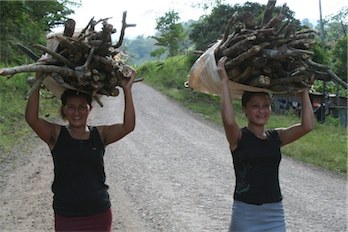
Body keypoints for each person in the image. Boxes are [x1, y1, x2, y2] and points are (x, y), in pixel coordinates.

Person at [25, 69, 136, 231]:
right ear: (64, 110)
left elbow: (128, 126)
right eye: (71, 107)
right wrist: (38, 77)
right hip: (67, 215)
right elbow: (32, 119)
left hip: (99, 213)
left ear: (90, 109)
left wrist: (127, 89)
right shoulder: (56, 135)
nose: (76, 112)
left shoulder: (100, 135)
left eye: (82, 107)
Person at [217, 56, 314, 232]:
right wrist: (224, 82)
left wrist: (303, 91)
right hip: (245, 213)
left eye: (266, 106)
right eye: (255, 106)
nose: (262, 111)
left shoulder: (276, 137)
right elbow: (229, 121)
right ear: (245, 110)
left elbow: (307, 126)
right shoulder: (238, 138)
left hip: (274, 213)